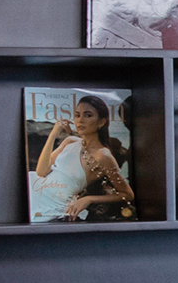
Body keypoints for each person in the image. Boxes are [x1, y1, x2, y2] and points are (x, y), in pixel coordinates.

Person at [28, 94, 135, 222]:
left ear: (101, 122)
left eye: (88, 115)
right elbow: (41, 172)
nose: (80, 120)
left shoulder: (103, 155)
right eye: (77, 115)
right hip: (34, 187)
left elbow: (127, 194)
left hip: (51, 205)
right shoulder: (70, 141)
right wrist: (53, 134)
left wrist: (88, 199)